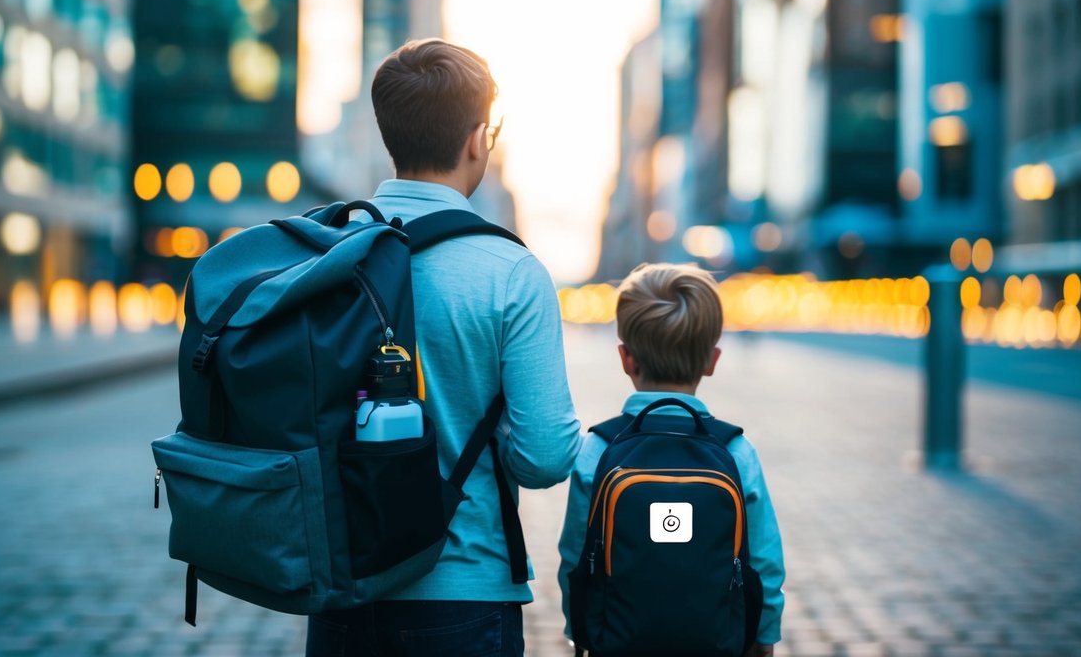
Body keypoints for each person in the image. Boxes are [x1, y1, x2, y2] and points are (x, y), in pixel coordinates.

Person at [307, 39, 582, 656]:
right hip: (463, 594)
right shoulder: (510, 271)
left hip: (343, 586)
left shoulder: (325, 254)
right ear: (479, 139)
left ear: (390, 136)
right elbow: (545, 458)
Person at [557, 263, 786, 656]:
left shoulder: (598, 449)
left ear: (626, 358)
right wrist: (763, 634)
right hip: (715, 642)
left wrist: (579, 628)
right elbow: (764, 561)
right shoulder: (735, 452)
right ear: (712, 361)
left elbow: (575, 558)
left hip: (618, 642)